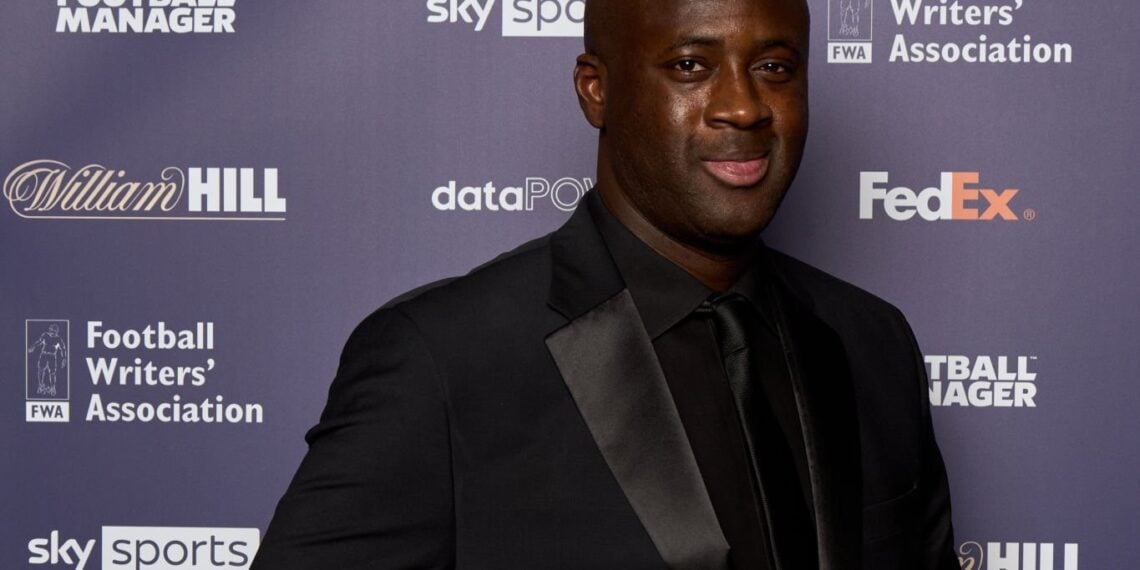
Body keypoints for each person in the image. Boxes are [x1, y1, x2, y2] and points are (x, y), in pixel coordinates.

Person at [253, 0, 957, 568]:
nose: (743, 107)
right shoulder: (442, 359)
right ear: (597, 90)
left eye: (774, 67)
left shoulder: (871, 340)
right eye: (690, 66)